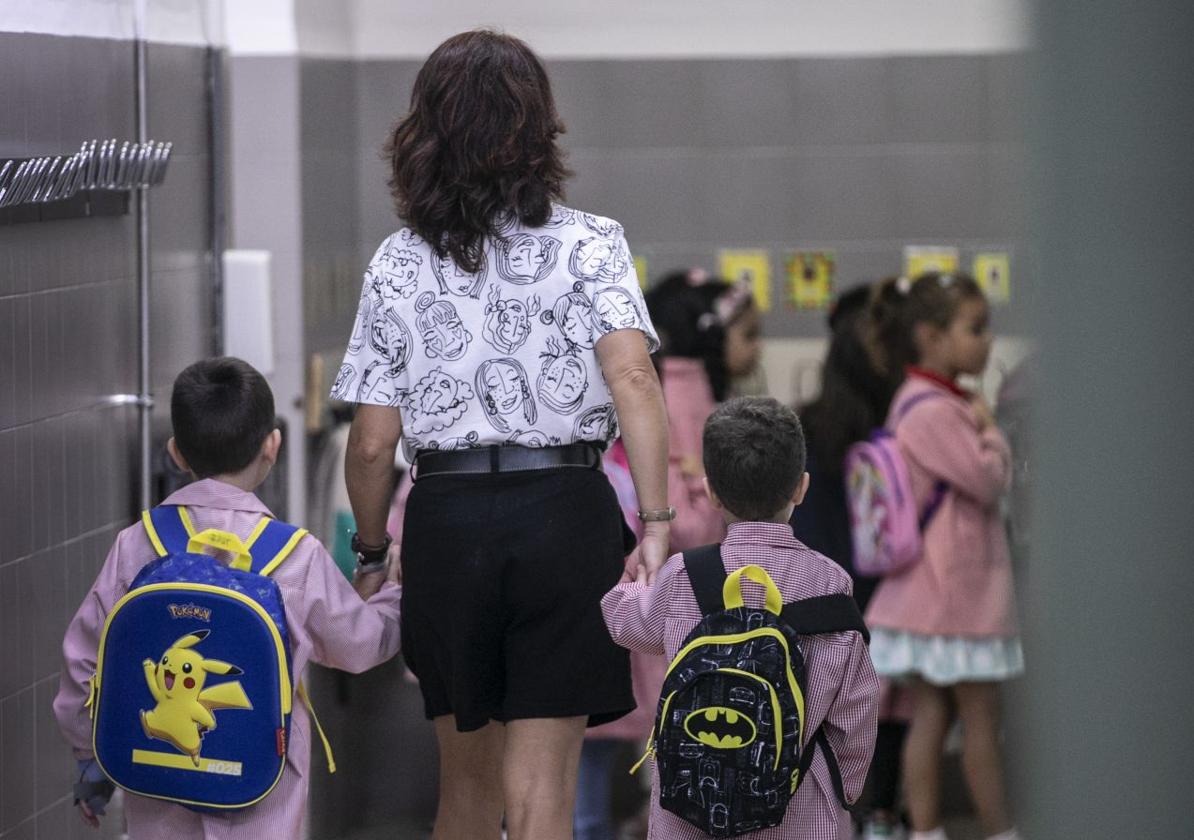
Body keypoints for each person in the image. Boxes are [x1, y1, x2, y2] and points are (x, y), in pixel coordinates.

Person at [334, 30, 671, 840]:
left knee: (463, 790)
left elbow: (374, 444)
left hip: (447, 518)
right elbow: (633, 378)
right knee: (542, 792)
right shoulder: (592, 241)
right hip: (564, 511)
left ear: (426, 132)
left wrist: (375, 553)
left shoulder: (397, 262)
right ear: (538, 130)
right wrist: (656, 523)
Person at [53, 357, 402, 838]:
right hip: (259, 793)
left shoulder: (137, 543)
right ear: (272, 445)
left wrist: (91, 756)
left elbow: (82, 664)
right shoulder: (293, 556)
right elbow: (359, 646)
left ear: (177, 453)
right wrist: (395, 597)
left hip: (156, 777)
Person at [602, 397, 880, 840]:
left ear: (711, 491)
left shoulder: (682, 578)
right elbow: (856, 710)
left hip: (687, 815)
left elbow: (620, 619)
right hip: (800, 815)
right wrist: (841, 789)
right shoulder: (830, 584)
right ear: (801, 488)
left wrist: (636, 569)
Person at [572, 269, 762, 839]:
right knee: (675, 746)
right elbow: (693, 513)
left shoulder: (656, 383)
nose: (755, 350)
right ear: (710, 333)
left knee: (596, 746)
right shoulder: (687, 392)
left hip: (625, 590)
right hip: (676, 593)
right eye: (748, 334)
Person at [864, 274, 1022, 840]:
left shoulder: (920, 399)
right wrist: (991, 430)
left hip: (934, 594)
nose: (985, 342)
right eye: (974, 329)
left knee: (933, 715)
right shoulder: (936, 409)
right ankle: (999, 832)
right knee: (980, 718)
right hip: (956, 597)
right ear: (930, 336)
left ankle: (926, 831)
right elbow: (986, 479)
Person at [792, 283, 907, 839]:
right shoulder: (890, 430)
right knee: (885, 714)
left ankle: (845, 816)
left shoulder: (810, 426)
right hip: (881, 594)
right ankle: (878, 813)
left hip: (822, 602)